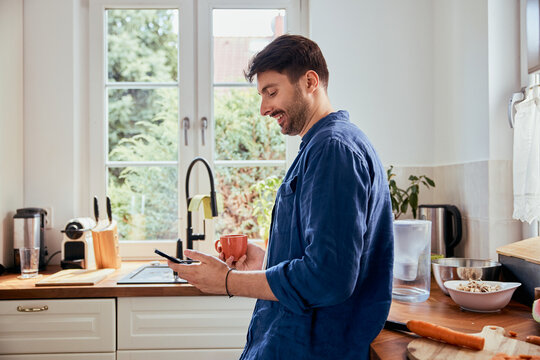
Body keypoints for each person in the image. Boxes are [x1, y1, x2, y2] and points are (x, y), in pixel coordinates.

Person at [168, 34, 394, 360]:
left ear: (310, 82)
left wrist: (228, 281)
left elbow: (329, 278)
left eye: (271, 92)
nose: (263, 108)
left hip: (311, 349)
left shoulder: (333, 149)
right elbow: (323, 255)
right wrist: (267, 260)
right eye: (261, 95)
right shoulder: (321, 147)